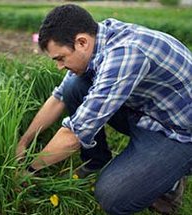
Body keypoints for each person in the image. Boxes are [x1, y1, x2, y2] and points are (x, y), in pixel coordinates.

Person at [16, 4, 192, 215]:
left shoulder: (125, 54)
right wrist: (24, 141)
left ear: (81, 42)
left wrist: (29, 170)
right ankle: (96, 161)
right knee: (74, 87)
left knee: (112, 196)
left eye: (60, 58)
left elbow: (73, 136)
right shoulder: (98, 40)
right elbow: (59, 97)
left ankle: (170, 182)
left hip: (178, 132)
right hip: (149, 110)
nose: (59, 66)